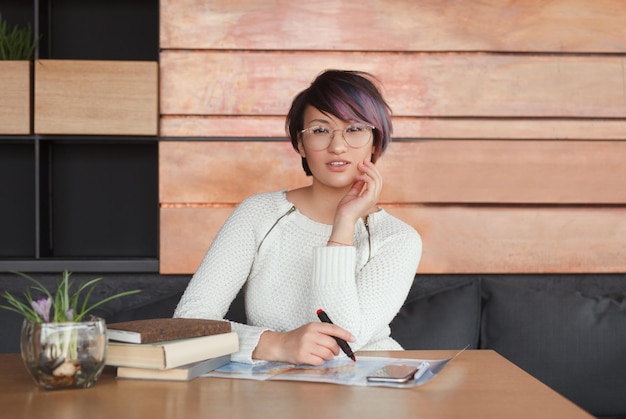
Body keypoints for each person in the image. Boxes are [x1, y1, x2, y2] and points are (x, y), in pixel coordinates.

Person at [174, 69, 422, 365]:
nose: (338, 146)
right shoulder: (259, 214)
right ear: (301, 145)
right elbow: (188, 324)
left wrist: (343, 226)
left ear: (375, 142)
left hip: (372, 392)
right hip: (274, 392)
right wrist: (275, 344)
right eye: (320, 130)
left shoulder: (398, 239)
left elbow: (343, 339)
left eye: (355, 129)